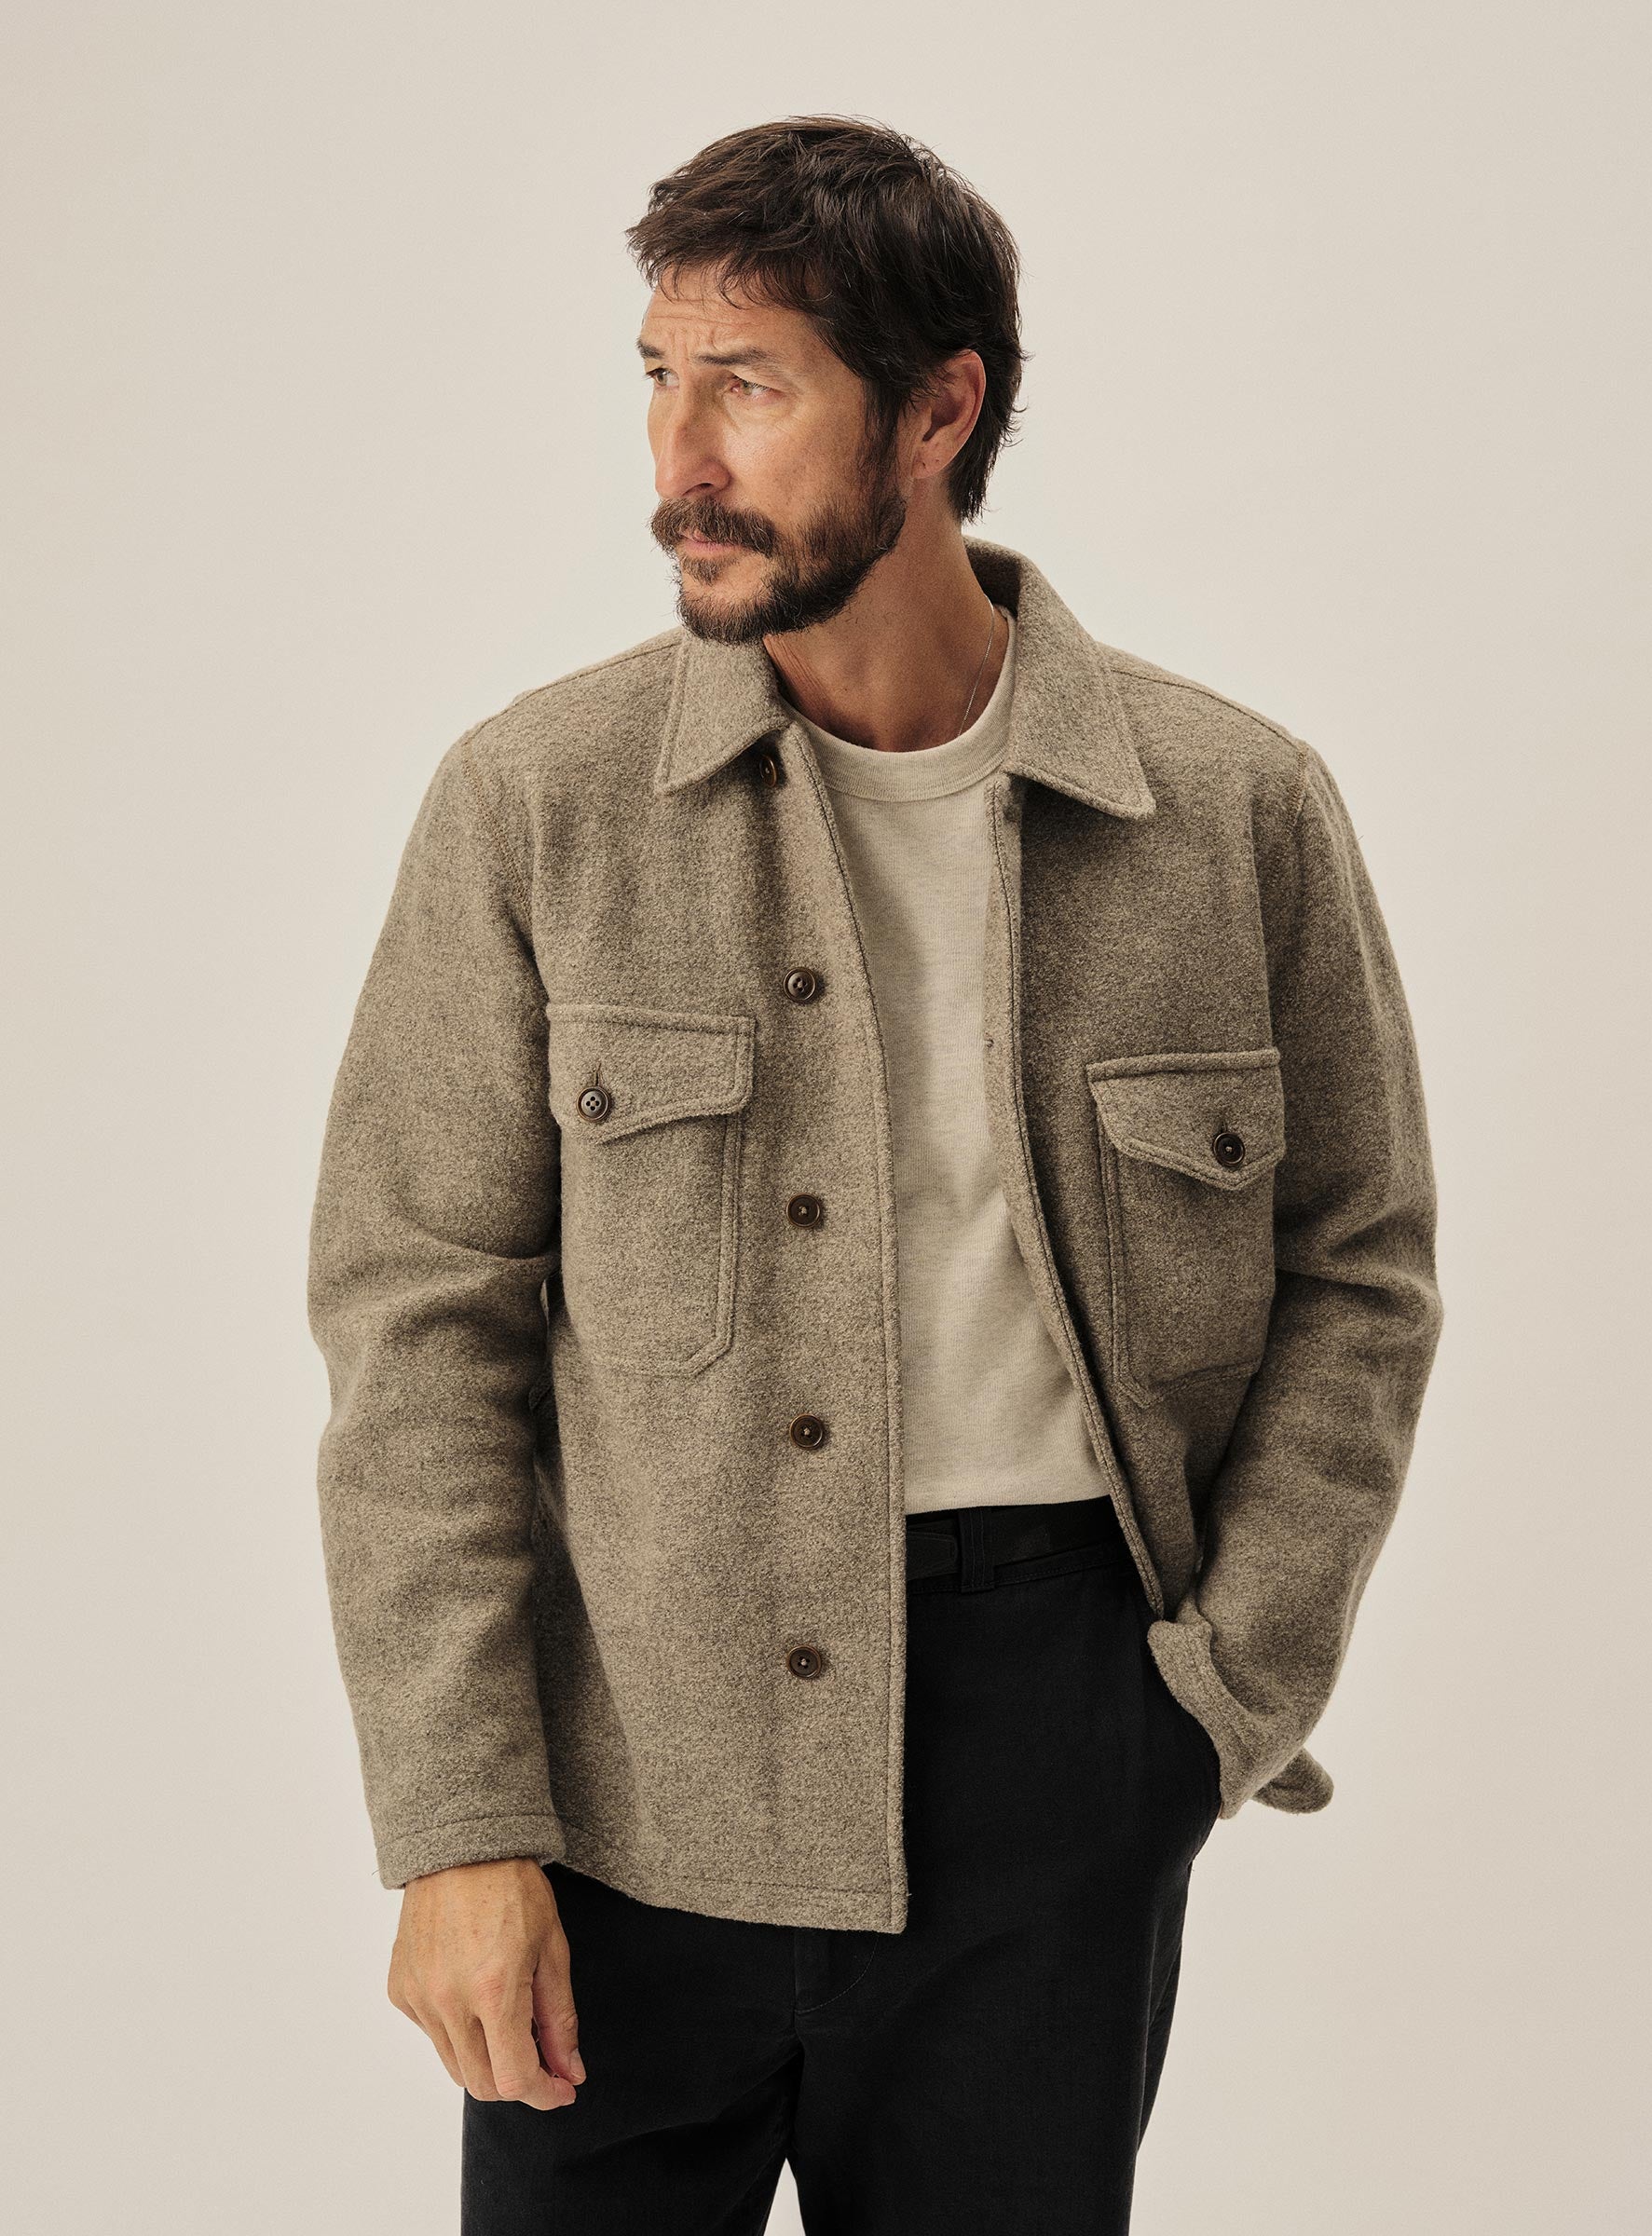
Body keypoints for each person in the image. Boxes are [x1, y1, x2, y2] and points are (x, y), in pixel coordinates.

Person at [307, 114, 1444, 2236]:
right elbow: (418, 1326)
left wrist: (1214, 1707)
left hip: (1060, 1752)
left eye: (750, 386)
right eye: (659, 379)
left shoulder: (1231, 812)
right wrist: (458, 1825)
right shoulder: (537, 804)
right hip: (632, 1774)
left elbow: (1360, 1269)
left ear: (937, 414)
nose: (680, 459)